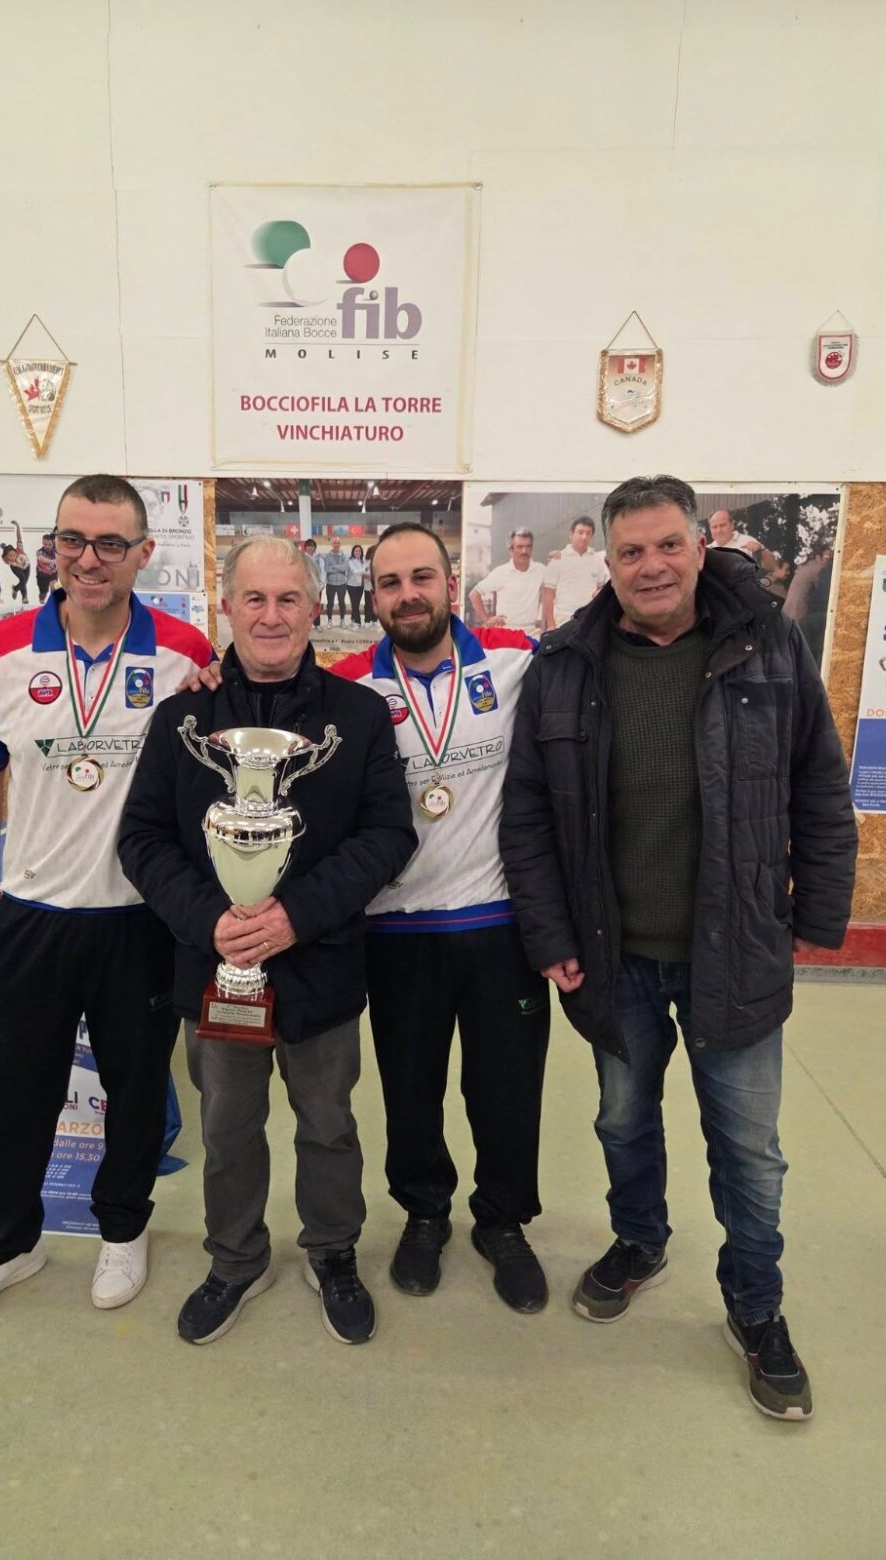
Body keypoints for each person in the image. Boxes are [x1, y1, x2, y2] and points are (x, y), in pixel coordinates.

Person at [500, 474, 857, 1422]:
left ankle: (756, 1305)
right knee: (623, 1120)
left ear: (700, 547)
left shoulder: (769, 646)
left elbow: (820, 785)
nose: (651, 565)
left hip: (734, 947)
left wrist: (818, 914)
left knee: (749, 1148)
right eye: (631, 551)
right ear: (607, 563)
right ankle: (640, 1240)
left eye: (668, 545)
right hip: (613, 952)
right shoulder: (565, 666)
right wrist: (550, 934)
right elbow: (526, 815)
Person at [0, 474, 215, 1333]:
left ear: (142, 554)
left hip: (140, 917)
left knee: (136, 1090)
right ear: (51, 547)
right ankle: (2, 1249)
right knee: (12, 1095)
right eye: (73, 541)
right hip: (31, 915)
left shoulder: (185, 653)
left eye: (110, 543)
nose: (89, 560)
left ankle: (123, 1229)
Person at [118, 536, 417, 1347]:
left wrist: (294, 916)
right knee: (226, 1129)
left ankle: (333, 1251)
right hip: (215, 967)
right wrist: (210, 919)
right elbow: (142, 839)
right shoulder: (183, 719)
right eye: (255, 598)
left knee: (328, 1124)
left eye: (289, 599)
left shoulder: (358, 717)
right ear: (227, 608)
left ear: (317, 609)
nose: (272, 616)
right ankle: (236, 1258)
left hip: (320, 965)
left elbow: (388, 836)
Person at [330, 523, 550, 1313]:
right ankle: (425, 1213)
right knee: (410, 1091)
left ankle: (503, 1221)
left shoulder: (515, 656)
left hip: (500, 926)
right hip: (396, 932)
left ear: (451, 584)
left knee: (506, 1090)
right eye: (390, 583)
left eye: (421, 577)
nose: (408, 595)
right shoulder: (347, 685)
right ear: (372, 596)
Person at [469, 528, 545, 633]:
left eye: (528, 546)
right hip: (505, 632)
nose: (524, 551)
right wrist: (487, 619)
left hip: (532, 632)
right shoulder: (500, 572)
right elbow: (474, 594)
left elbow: (557, 587)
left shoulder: (541, 570)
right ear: (511, 550)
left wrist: (557, 557)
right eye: (520, 547)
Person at [541, 516, 609, 629]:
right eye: (580, 532)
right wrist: (551, 624)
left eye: (588, 533)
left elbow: (599, 589)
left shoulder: (597, 560)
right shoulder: (557, 559)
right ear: (571, 534)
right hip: (562, 620)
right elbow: (548, 595)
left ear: (592, 537)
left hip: (588, 619)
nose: (584, 537)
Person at [1, 521, 32, 604]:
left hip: (27, 565)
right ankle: (24, 598)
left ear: (16, 552)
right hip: (16, 567)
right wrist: (4, 549)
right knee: (23, 579)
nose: (13, 557)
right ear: (7, 557)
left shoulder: (19, 549)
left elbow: (19, 536)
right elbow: (6, 558)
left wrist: (17, 525)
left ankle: (15, 589)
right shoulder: (11, 563)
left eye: (14, 555)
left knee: (24, 582)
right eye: (10, 556)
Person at [324, 536, 350, 625]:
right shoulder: (327, 556)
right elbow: (327, 569)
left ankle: (342, 620)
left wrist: (334, 566)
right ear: (332, 544)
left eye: (338, 543)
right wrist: (339, 568)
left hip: (341, 584)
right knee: (330, 603)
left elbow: (345, 568)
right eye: (335, 543)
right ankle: (329, 620)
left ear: (340, 544)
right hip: (330, 584)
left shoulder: (344, 555)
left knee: (341, 603)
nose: (336, 545)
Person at [346, 542, 367, 627]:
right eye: (356, 551)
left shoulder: (363, 561)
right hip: (351, 585)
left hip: (360, 586)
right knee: (355, 604)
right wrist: (364, 571)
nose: (358, 552)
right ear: (353, 552)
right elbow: (354, 571)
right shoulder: (350, 561)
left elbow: (364, 571)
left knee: (356, 604)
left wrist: (364, 571)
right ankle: (358, 622)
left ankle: (353, 618)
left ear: (361, 552)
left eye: (359, 551)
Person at [35, 531, 59, 603]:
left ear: (53, 543)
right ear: (42, 543)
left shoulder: (55, 551)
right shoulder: (40, 551)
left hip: (53, 573)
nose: (47, 546)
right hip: (42, 575)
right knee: (43, 593)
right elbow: (41, 558)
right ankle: (41, 600)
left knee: (53, 586)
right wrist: (53, 561)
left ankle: (53, 602)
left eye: (50, 545)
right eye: (45, 544)